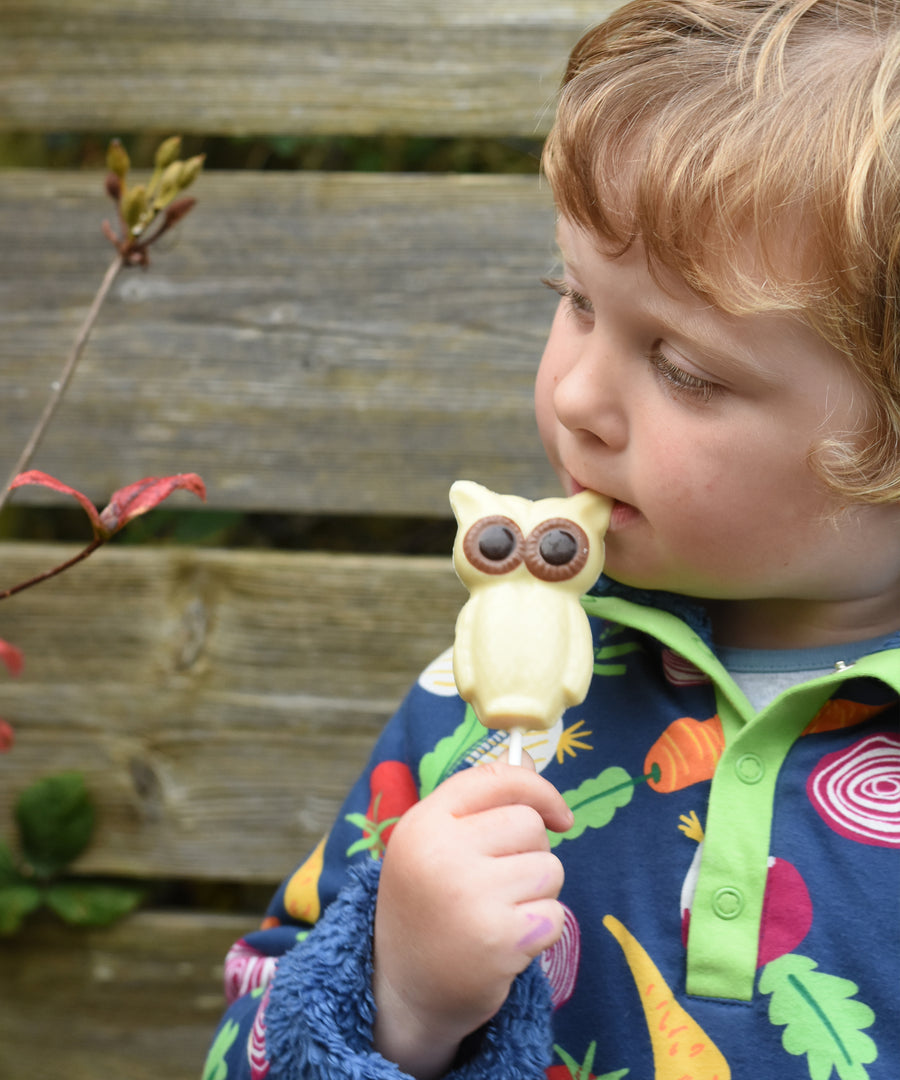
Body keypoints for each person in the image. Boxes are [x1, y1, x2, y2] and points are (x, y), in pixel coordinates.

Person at [203, 2, 900, 1077]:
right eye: (574, 298)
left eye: (685, 369)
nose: (576, 394)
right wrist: (398, 997)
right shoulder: (468, 707)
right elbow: (240, 1040)